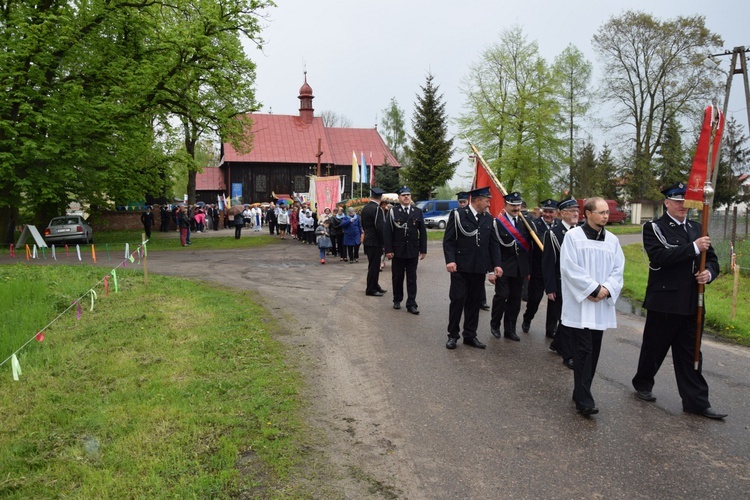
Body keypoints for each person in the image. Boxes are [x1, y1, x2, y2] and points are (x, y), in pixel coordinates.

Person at [632, 182, 727, 419]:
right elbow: (660, 256)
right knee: (655, 347)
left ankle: (696, 401)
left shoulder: (698, 228)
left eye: (685, 201)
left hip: (693, 301)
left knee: (691, 352)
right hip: (665, 300)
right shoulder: (654, 228)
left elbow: (713, 260)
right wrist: (693, 248)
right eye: (677, 201)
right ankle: (643, 383)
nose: (683, 205)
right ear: (667, 203)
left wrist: (710, 273)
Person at [560, 196, 624, 416]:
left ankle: (580, 391)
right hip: (581, 304)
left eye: (607, 212)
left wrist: (605, 288)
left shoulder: (613, 241)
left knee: (593, 351)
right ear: (588, 214)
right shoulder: (573, 237)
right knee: (583, 350)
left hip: (600, 306)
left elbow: (618, 270)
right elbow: (570, 268)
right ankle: (585, 399)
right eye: (601, 212)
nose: (606, 216)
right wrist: (592, 289)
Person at [443, 186, 503, 349]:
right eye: (487, 200)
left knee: (474, 302)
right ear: (477, 200)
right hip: (460, 267)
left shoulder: (488, 219)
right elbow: (448, 241)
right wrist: (450, 260)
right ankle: (453, 335)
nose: (489, 204)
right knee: (457, 300)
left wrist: (495, 265)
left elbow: (493, 244)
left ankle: (470, 335)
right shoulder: (458, 215)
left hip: (478, 267)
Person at [490, 192, 533, 342]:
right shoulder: (498, 223)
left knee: (515, 299)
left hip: (520, 267)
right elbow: (494, 247)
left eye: (518, 204)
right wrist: (494, 267)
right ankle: (495, 324)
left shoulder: (526, 222)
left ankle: (510, 329)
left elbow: (531, 246)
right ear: (505, 205)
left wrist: (529, 269)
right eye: (512, 205)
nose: (516, 208)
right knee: (502, 295)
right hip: (504, 265)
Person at [543, 197, 579, 369]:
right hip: (560, 283)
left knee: (570, 318)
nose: (575, 214)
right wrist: (550, 287)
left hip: (577, 284)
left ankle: (557, 344)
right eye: (571, 211)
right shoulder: (553, 234)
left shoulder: (580, 231)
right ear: (562, 214)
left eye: (577, 211)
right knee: (567, 319)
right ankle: (568, 355)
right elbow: (548, 263)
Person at [384, 186, 427, 313]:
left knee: (412, 278)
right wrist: (388, 250)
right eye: (404, 195)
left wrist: (423, 249)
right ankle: (397, 299)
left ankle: (411, 303)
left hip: (412, 250)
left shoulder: (417, 211)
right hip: (398, 251)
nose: (407, 197)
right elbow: (388, 233)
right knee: (397, 277)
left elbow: (422, 232)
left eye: (408, 195)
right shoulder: (393, 212)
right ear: (399, 198)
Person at [522, 199, 558, 334]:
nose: (548, 215)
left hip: (554, 271)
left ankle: (551, 329)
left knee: (554, 301)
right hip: (538, 270)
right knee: (534, 299)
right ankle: (527, 319)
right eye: (546, 211)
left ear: (556, 213)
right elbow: (529, 250)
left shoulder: (559, 226)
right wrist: (528, 270)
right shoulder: (534, 226)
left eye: (551, 212)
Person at [360, 187, 387, 296]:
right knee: (374, 266)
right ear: (380, 197)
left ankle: (375, 285)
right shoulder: (377, 209)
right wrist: (384, 242)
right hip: (375, 242)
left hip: (368, 240)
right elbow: (380, 227)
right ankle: (371, 289)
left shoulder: (365, 208)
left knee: (374, 265)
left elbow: (363, 224)